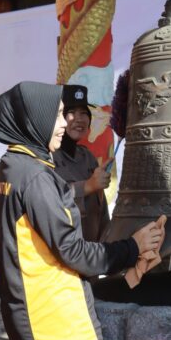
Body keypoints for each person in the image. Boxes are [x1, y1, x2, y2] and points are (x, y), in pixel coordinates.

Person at [0, 81, 164, 340]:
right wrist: (132, 248)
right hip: (56, 324)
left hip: (36, 316)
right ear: (35, 118)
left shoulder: (12, 166)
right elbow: (72, 250)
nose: (64, 124)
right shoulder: (34, 176)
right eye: (59, 115)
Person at [52, 85, 111, 243]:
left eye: (84, 113)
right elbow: (51, 200)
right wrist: (87, 186)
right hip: (62, 253)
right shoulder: (47, 157)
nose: (79, 119)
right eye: (71, 112)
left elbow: (101, 210)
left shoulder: (87, 157)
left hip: (91, 254)